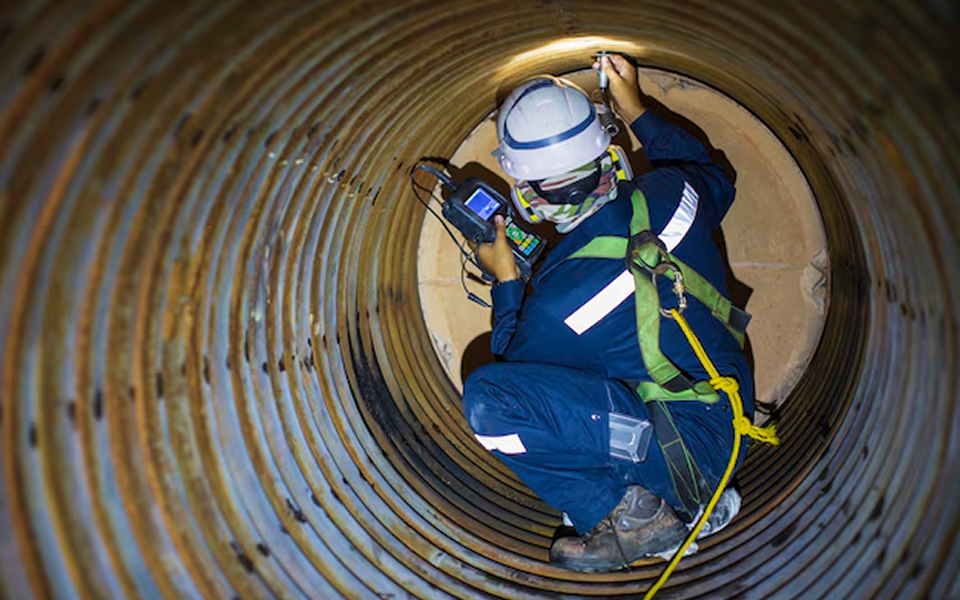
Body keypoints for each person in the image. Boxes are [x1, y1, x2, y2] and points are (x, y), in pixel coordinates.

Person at [461, 54, 759, 572]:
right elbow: (715, 174)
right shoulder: (675, 191)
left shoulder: (555, 304)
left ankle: (641, 515)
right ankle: (693, 503)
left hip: (685, 458)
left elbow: (514, 370)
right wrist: (637, 107)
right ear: (607, 148)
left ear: (527, 194)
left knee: (489, 401)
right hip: (732, 418)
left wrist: (507, 281)